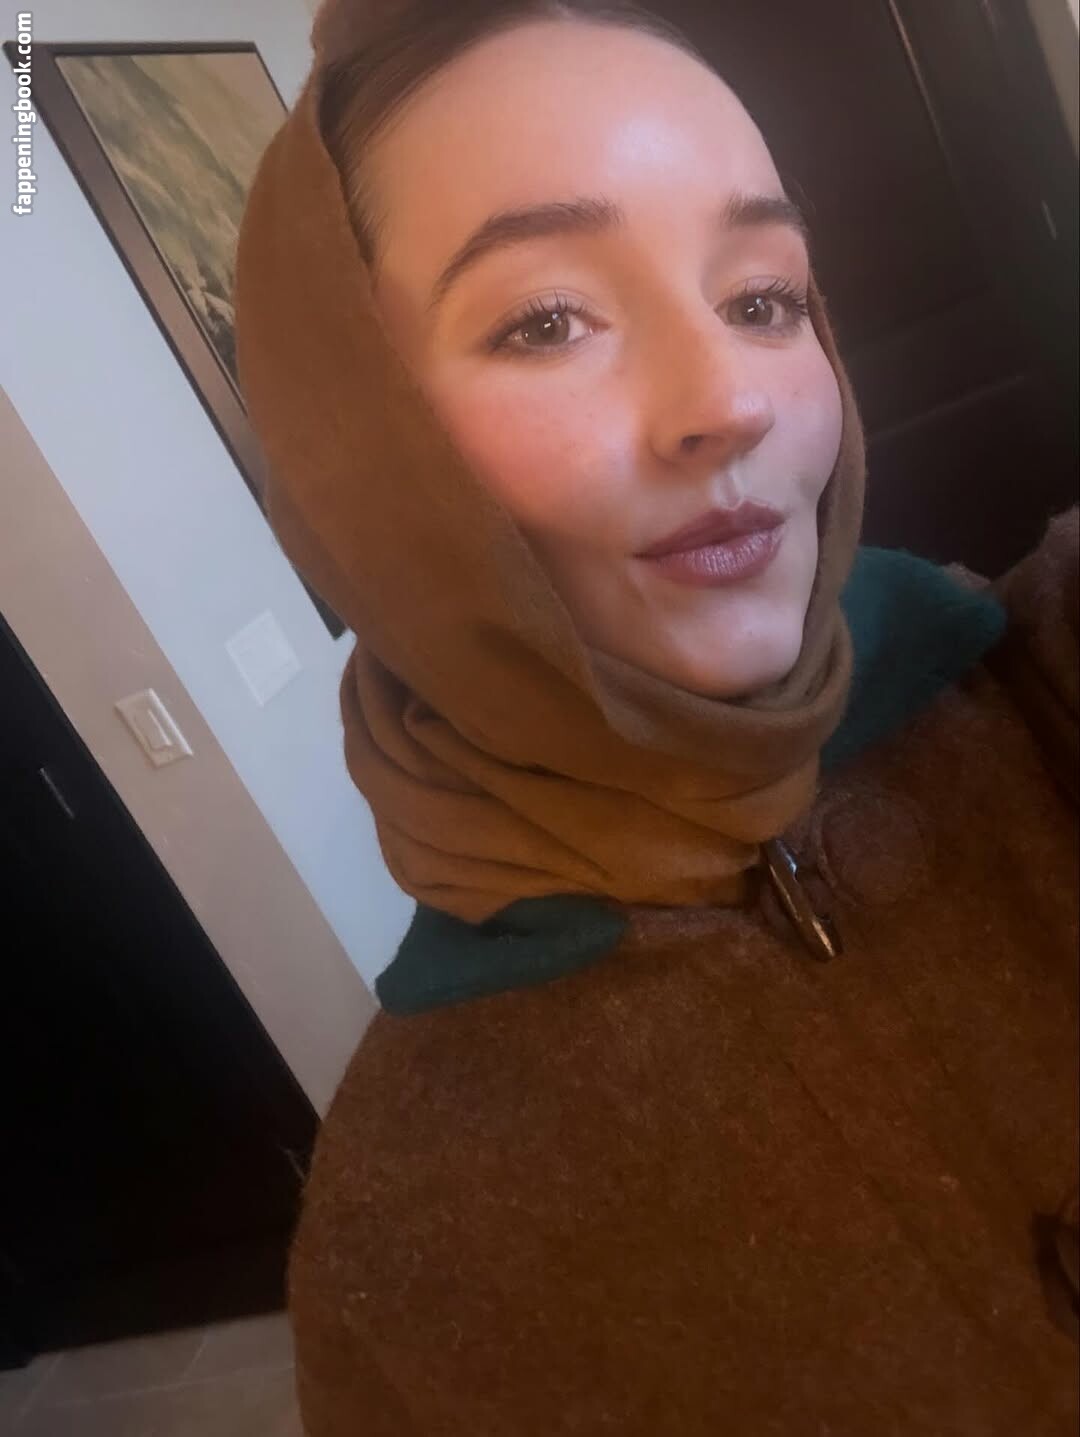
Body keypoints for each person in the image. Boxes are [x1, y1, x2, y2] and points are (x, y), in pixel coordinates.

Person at [233, 2, 1079, 1432]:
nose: (728, 402)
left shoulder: (1038, 682)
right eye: (545, 320)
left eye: (762, 299)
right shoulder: (420, 1254)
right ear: (353, 445)